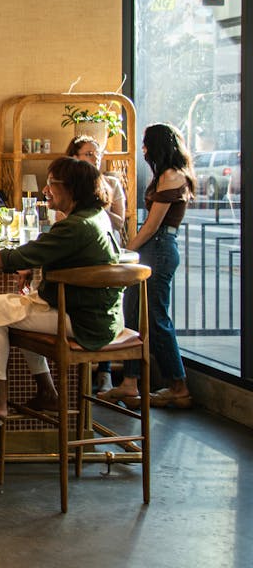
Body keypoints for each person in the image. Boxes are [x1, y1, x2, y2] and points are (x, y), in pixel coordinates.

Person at [0, 157, 123, 418]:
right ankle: (46, 392)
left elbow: (16, 257)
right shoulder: (95, 218)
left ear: (71, 188)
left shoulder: (75, 226)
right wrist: (36, 265)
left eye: (51, 183)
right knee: (11, 311)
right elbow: (67, 257)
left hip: (82, 320)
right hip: (101, 317)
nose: (45, 190)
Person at [100, 123, 194, 409]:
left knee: (155, 317)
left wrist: (128, 250)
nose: (143, 150)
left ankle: (178, 385)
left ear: (159, 146)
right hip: (156, 248)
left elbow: (153, 225)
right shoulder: (166, 175)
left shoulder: (171, 175)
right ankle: (130, 383)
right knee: (132, 313)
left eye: (146, 144)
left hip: (160, 249)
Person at [65, 135, 127, 237]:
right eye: (89, 154)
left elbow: (119, 223)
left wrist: (94, 208)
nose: (96, 158)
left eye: (98, 153)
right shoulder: (66, 185)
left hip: (106, 240)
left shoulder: (111, 183)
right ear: (75, 158)